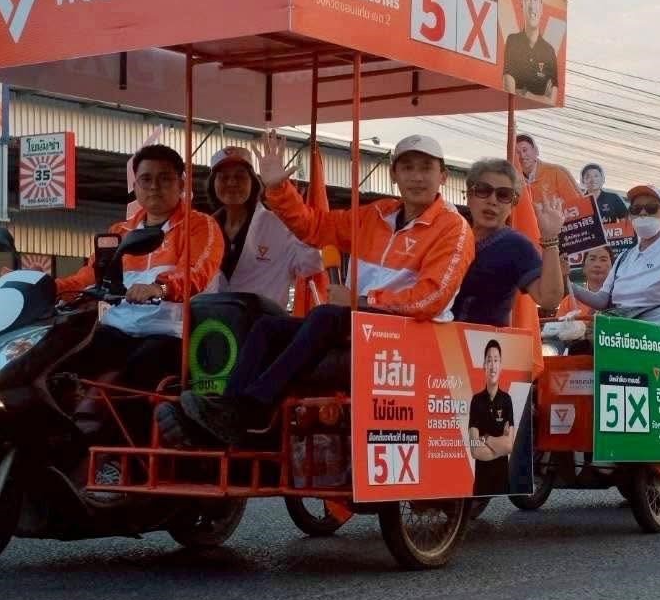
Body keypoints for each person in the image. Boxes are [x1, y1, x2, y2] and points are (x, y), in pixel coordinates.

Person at [158, 131, 474, 446]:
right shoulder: (376, 215)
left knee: (326, 315)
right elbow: (315, 227)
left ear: (443, 176)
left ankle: (251, 409)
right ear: (394, 175)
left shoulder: (453, 227)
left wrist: (362, 301)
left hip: (412, 333)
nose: (416, 177)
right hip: (364, 326)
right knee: (267, 327)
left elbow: (432, 298)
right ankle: (228, 411)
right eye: (407, 168)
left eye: (426, 168)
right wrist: (278, 189)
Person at [55, 143, 224, 441]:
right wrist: (47, 287)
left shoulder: (201, 226)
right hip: (117, 330)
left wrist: (160, 287)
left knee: (137, 374)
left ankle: (123, 457)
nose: (154, 186)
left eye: (165, 178)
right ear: (136, 186)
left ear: (181, 184)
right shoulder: (119, 232)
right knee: (59, 360)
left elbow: (196, 273)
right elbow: (88, 276)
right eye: (146, 179)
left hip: (170, 334)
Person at [202, 145, 324, 307]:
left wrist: (290, 205)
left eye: (240, 176)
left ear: (253, 182)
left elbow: (313, 263)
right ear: (213, 184)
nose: (231, 182)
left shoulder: (281, 225)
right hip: (212, 321)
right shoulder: (202, 229)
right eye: (223, 177)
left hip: (264, 321)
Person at [568, 185, 660, 326]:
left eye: (651, 208)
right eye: (636, 209)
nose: (643, 213)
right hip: (626, 332)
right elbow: (602, 300)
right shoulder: (624, 258)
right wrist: (567, 284)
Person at [452, 157, 566, 327]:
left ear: (513, 204)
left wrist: (550, 238)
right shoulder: (450, 233)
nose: (492, 201)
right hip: (434, 338)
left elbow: (549, 299)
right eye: (483, 190)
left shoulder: (516, 245)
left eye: (503, 195)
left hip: (486, 341)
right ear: (469, 195)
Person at [503, 0, 559, 105]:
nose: (532, 5)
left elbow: (552, 101)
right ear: (521, 3)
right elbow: (510, 91)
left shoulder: (549, 52)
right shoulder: (512, 41)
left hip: (540, 117)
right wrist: (541, 97)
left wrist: (525, 93)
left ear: (541, 6)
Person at [469, 340, 515, 495]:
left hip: (503, 484)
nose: (493, 365)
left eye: (496, 360)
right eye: (489, 360)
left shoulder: (506, 400)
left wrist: (486, 438)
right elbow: (475, 449)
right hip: (481, 486)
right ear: (484, 365)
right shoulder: (476, 401)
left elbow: (509, 446)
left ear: (501, 366)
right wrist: (499, 446)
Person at [514, 134, 584, 218]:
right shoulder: (514, 181)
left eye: (525, 150)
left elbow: (578, 204)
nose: (522, 156)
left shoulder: (556, 172)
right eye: (517, 153)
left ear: (536, 151)